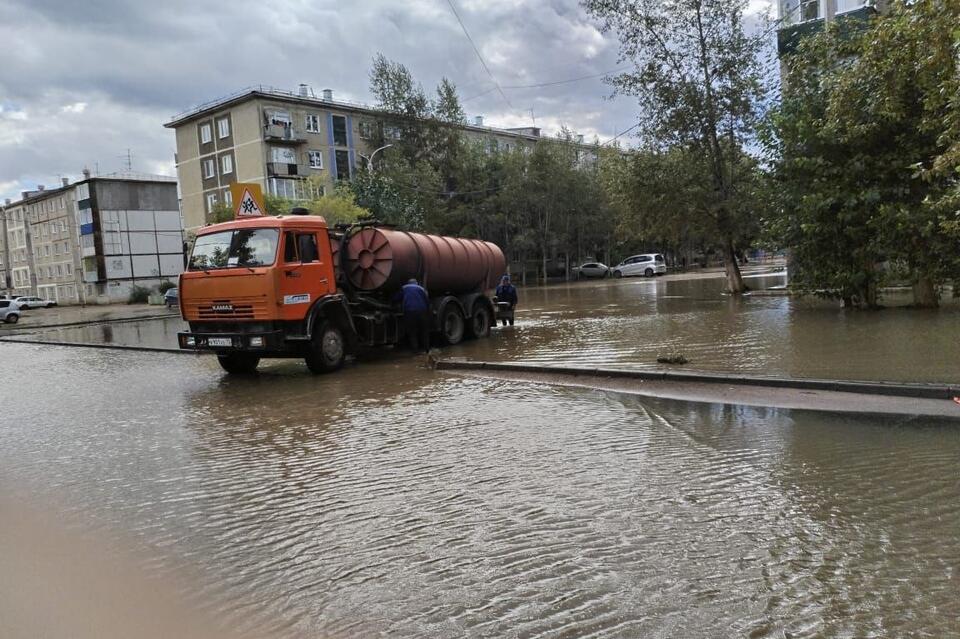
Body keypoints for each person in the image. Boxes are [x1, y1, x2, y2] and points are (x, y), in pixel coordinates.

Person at [395, 278, 431, 353]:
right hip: (422, 312)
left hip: (410, 312)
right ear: (416, 283)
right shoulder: (421, 289)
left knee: (412, 332)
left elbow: (397, 298)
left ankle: (415, 350)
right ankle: (427, 350)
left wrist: (392, 303)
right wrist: (428, 312)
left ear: (408, 283)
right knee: (424, 331)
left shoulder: (404, 288)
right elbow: (427, 300)